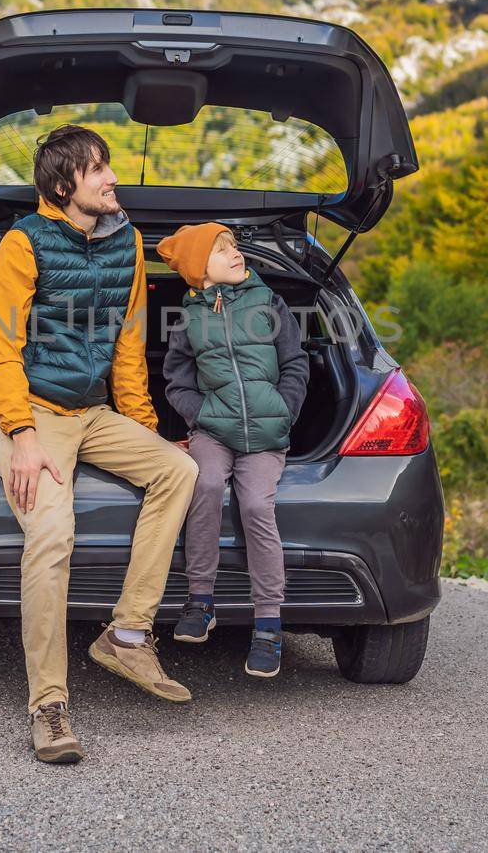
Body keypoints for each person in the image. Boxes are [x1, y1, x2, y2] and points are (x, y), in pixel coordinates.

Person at [0, 124, 198, 765]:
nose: (110, 178)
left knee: (177, 472)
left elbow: (129, 346)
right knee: (51, 530)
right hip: (29, 409)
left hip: (92, 410)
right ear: (62, 184)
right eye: (97, 169)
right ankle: (49, 705)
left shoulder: (126, 239)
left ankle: (127, 635)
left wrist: (143, 428)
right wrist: (19, 435)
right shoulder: (23, 245)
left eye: (108, 166)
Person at [157, 223, 309, 677]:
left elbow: (295, 362)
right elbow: (176, 380)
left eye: (234, 247)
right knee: (202, 484)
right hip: (214, 432)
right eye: (222, 252)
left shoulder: (269, 303)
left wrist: (283, 410)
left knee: (257, 506)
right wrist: (201, 415)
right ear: (200, 270)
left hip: (266, 435)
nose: (236, 254)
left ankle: (268, 624)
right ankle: (200, 600)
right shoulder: (190, 318)